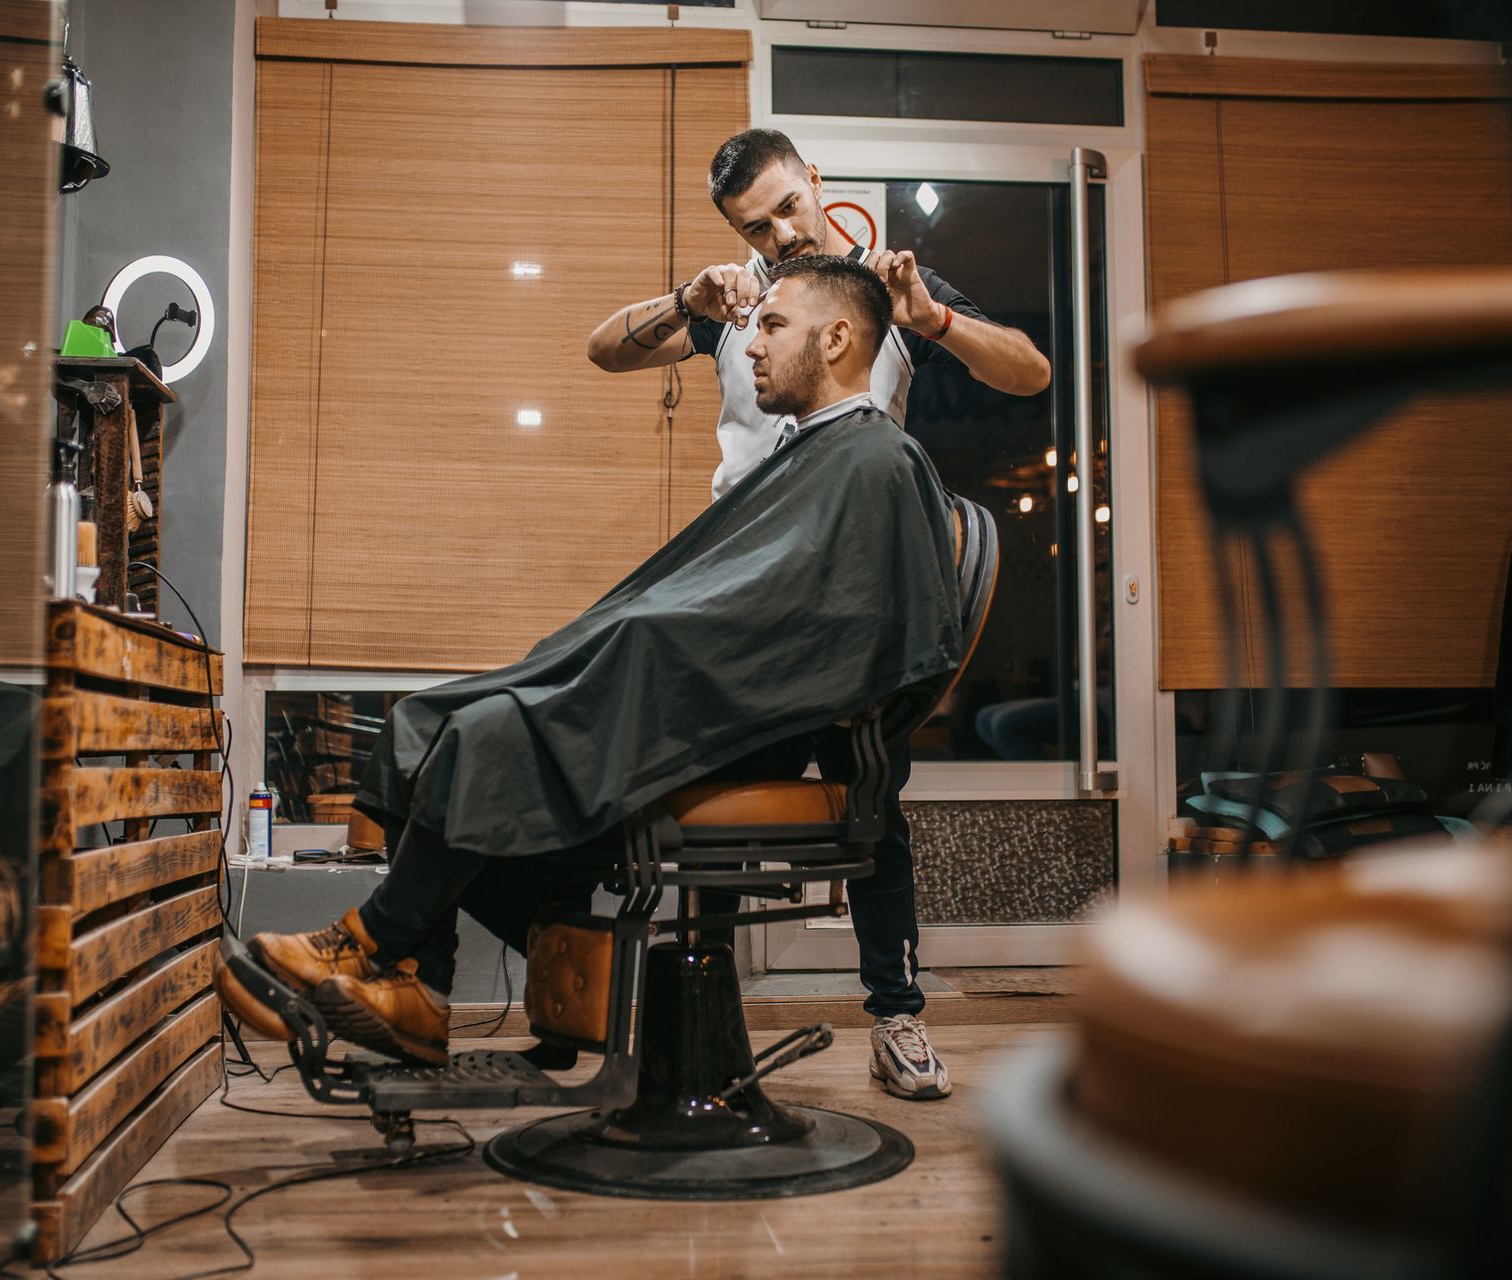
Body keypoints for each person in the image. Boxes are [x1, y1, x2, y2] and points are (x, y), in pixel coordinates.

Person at [226, 256, 967, 1081]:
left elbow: (863, 640)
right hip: (687, 696)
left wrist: (646, 638)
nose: (752, 345)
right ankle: (418, 994)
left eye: (772, 325)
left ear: (835, 339)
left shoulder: (878, 461)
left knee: (482, 739)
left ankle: (370, 941)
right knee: (422, 727)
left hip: (732, 727)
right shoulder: (812, 456)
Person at [583, 128, 1051, 1099]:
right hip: (740, 593)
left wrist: (933, 320)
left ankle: (898, 1016)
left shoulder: (884, 292)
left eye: (789, 207)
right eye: (756, 227)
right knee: (707, 793)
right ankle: (706, 1017)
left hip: (849, 596)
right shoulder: (738, 305)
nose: (782, 235)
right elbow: (603, 351)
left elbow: (1030, 373)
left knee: (870, 803)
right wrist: (687, 301)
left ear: (816, 182)